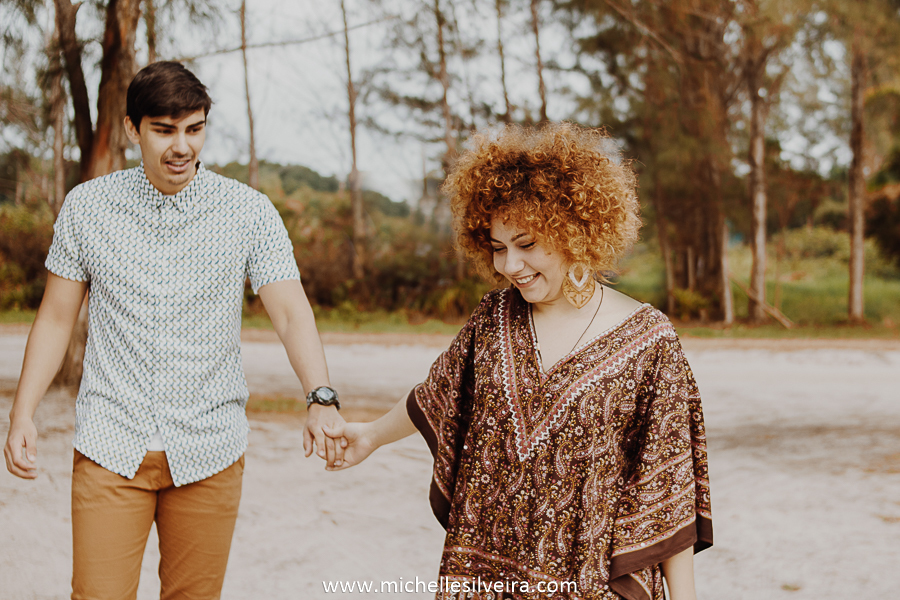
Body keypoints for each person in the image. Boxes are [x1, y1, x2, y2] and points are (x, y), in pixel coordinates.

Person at [323, 123, 712, 600]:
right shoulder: (494, 317)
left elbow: (667, 485)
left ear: (576, 232)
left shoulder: (650, 341)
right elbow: (439, 395)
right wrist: (369, 436)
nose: (509, 266)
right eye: (498, 247)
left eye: (526, 245)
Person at [3, 61, 345, 600]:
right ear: (132, 129)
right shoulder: (87, 208)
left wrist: (321, 396)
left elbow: (290, 312)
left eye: (194, 128)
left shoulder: (248, 212)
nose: (182, 146)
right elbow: (55, 316)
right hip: (110, 446)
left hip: (211, 448)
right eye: (164, 129)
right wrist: (22, 411)